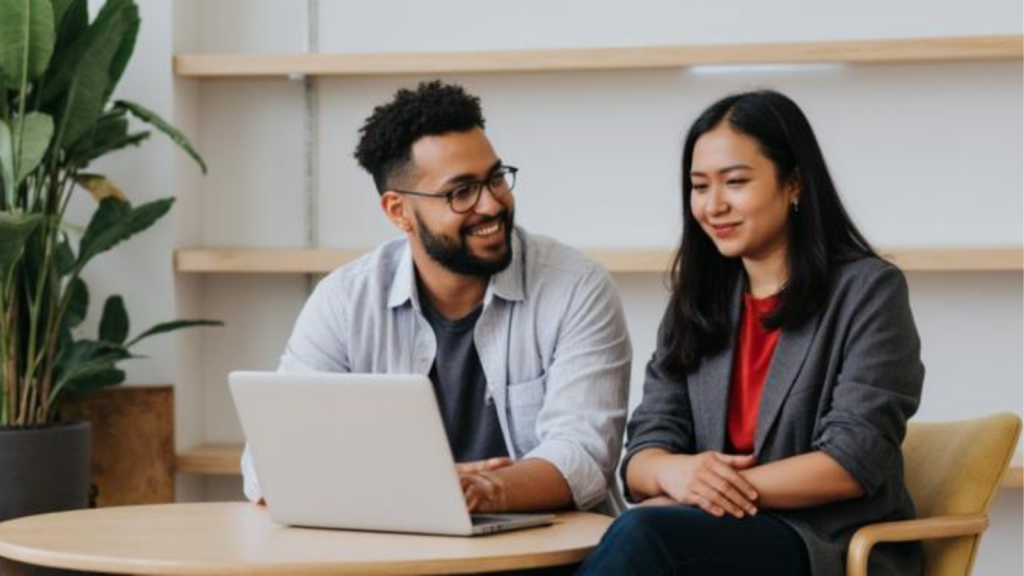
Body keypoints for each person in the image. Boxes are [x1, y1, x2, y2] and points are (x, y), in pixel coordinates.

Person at [240, 81, 631, 515]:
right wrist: (412, 489)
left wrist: (480, 490)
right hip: (397, 551)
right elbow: (266, 464)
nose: (492, 205)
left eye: (495, 179)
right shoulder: (345, 302)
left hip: (551, 555)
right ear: (398, 211)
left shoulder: (575, 288)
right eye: (461, 192)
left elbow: (584, 457)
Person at [579, 90, 924, 575]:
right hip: (714, 534)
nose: (713, 205)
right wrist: (677, 473)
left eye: (736, 182)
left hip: (826, 545)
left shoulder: (868, 291)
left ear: (795, 183)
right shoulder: (697, 299)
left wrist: (708, 492)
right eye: (699, 187)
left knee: (644, 535)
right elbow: (642, 456)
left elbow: (854, 459)